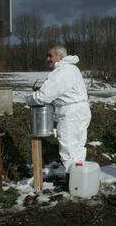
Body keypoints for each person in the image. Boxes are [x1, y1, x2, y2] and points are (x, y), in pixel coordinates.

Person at [25, 46, 91, 187]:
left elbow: (44, 96)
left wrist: (29, 99)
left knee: (69, 149)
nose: (47, 59)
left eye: (50, 56)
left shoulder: (62, 71)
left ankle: (74, 184)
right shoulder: (72, 68)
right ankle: (81, 182)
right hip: (81, 110)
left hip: (70, 113)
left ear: (59, 56)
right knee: (78, 148)